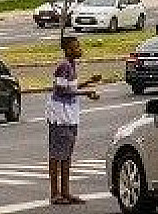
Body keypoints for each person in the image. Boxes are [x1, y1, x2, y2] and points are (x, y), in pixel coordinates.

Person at [47, 36, 101, 205]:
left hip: (69, 116)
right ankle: (55, 194)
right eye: (76, 47)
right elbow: (60, 90)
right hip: (60, 117)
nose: (80, 49)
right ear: (68, 50)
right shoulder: (63, 66)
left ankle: (66, 192)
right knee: (57, 155)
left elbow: (71, 88)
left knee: (67, 156)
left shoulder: (71, 65)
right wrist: (87, 93)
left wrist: (88, 83)